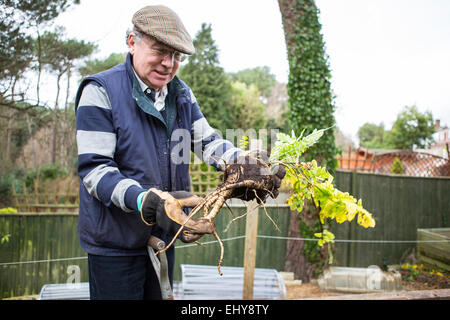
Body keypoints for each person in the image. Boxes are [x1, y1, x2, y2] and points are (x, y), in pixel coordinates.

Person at [75, 5, 284, 300]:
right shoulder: (100, 91)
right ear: (132, 41)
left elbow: (208, 142)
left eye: (176, 56)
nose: (168, 64)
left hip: (163, 238)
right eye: (160, 51)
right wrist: (142, 199)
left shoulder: (181, 94)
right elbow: (95, 171)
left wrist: (243, 163)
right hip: (115, 246)